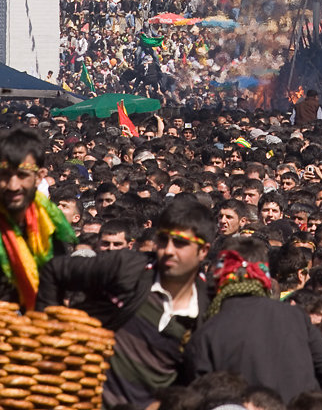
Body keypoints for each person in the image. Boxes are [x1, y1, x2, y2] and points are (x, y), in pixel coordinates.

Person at [37, 194, 214, 409]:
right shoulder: (127, 267)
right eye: (162, 240)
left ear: (203, 251)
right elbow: (54, 271)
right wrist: (46, 334)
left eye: (179, 244)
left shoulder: (206, 309)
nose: (168, 251)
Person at [182, 237, 322, 402]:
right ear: (265, 277)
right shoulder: (294, 316)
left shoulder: (207, 333)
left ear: (218, 277)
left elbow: (198, 399)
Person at [0, 126, 75, 309]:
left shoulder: (50, 228)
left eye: (22, 175)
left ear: (39, 176)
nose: (13, 185)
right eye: (5, 175)